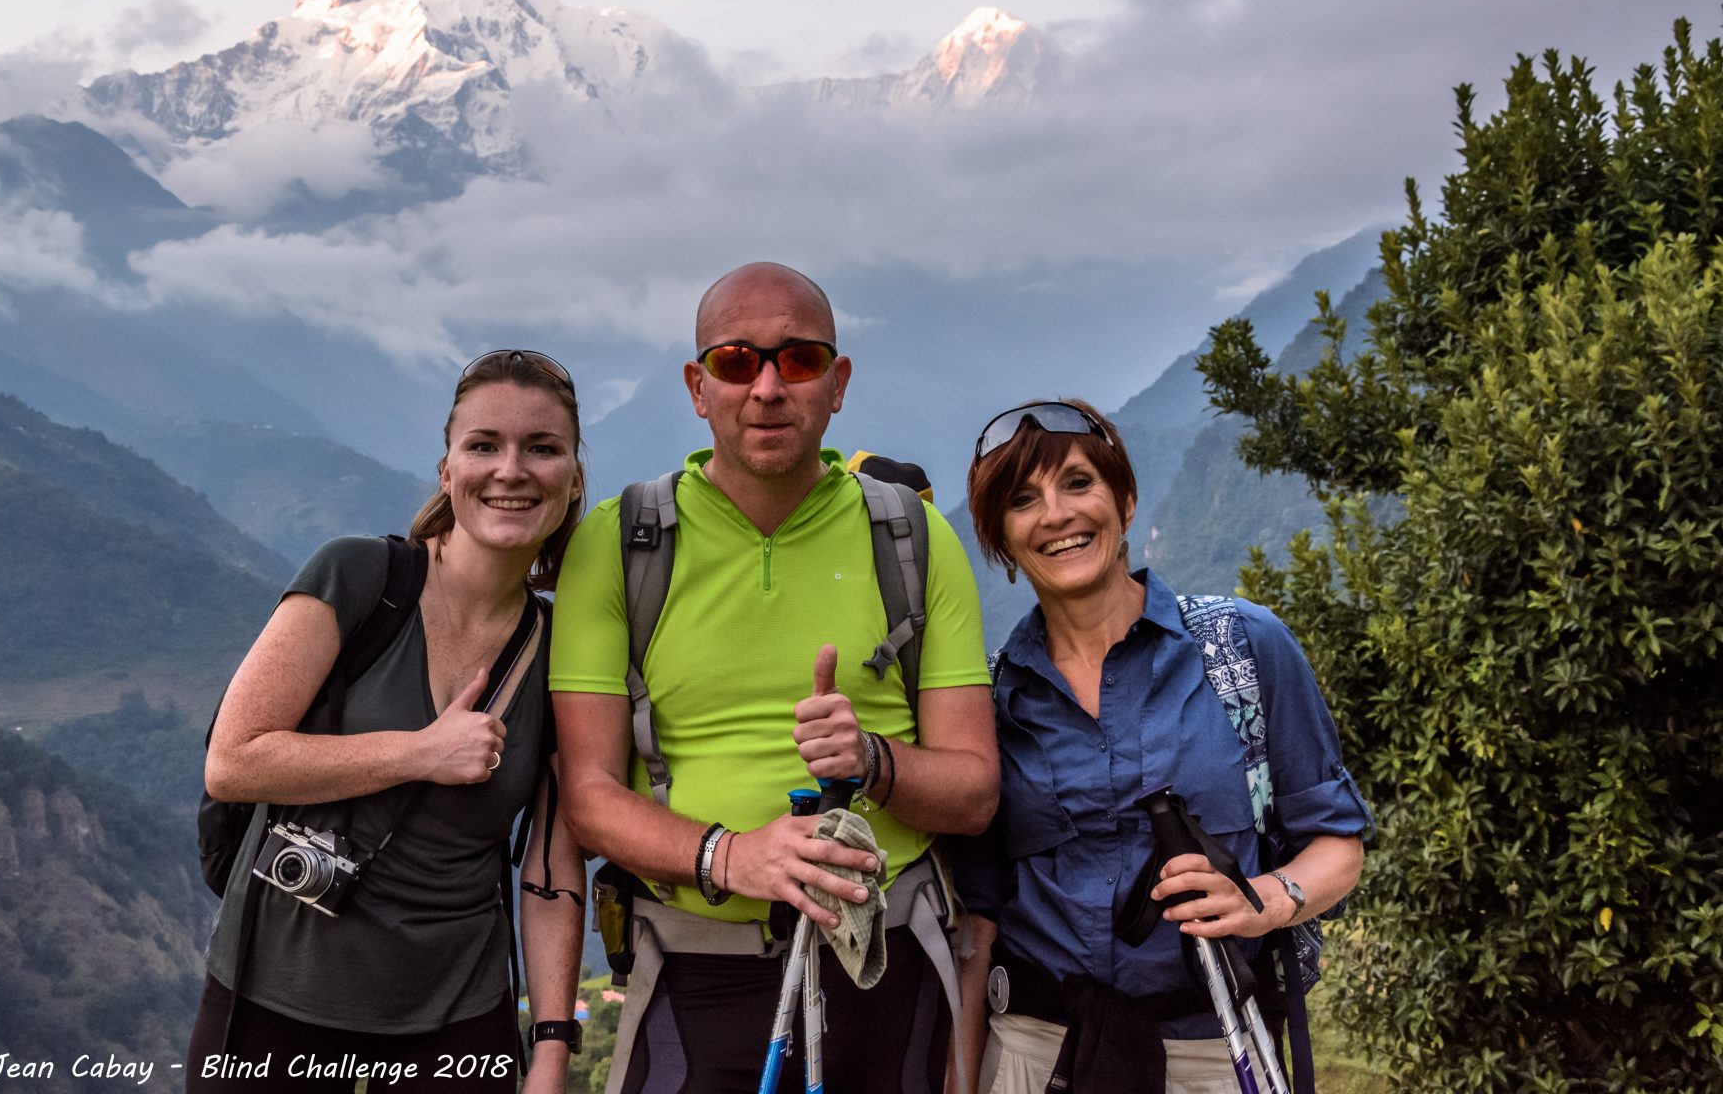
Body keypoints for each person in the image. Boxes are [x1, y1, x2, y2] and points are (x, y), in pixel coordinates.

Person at [550, 262, 999, 1093]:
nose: (766, 386)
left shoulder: (912, 536)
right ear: (696, 386)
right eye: (734, 360)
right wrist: (733, 856)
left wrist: (872, 758)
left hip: (885, 962)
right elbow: (588, 796)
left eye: (797, 360)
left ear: (838, 383)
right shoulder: (620, 543)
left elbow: (973, 792)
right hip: (691, 965)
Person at [188, 350, 588, 1094]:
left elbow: (548, 868)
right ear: (447, 471)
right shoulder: (360, 578)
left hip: (458, 1013)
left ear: (572, 478)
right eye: (483, 445)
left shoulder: (565, 650)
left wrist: (553, 1048)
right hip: (278, 992)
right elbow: (234, 761)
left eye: (542, 448)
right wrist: (417, 752)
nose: (511, 469)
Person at [954, 399, 1373, 1094]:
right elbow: (977, 924)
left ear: (1125, 498)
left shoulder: (1242, 647)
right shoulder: (993, 697)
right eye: (1023, 500)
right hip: (1034, 1053)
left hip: (1215, 1048)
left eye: (1078, 483)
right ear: (1000, 537)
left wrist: (1259, 901)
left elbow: (1337, 845)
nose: (1056, 514)